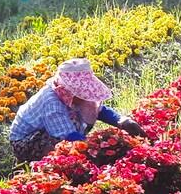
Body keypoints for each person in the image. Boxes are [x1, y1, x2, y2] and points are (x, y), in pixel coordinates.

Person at [8, 58, 143, 163]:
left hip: (53, 129)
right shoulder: (52, 102)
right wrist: (96, 150)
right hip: (27, 141)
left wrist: (121, 121)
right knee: (60, 145)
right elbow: (68, 136)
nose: (86, 96)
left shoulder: (74, 96)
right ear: (68, 90)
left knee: (82, 124)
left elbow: (99, 109)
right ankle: (43, 165)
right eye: (81, 93)